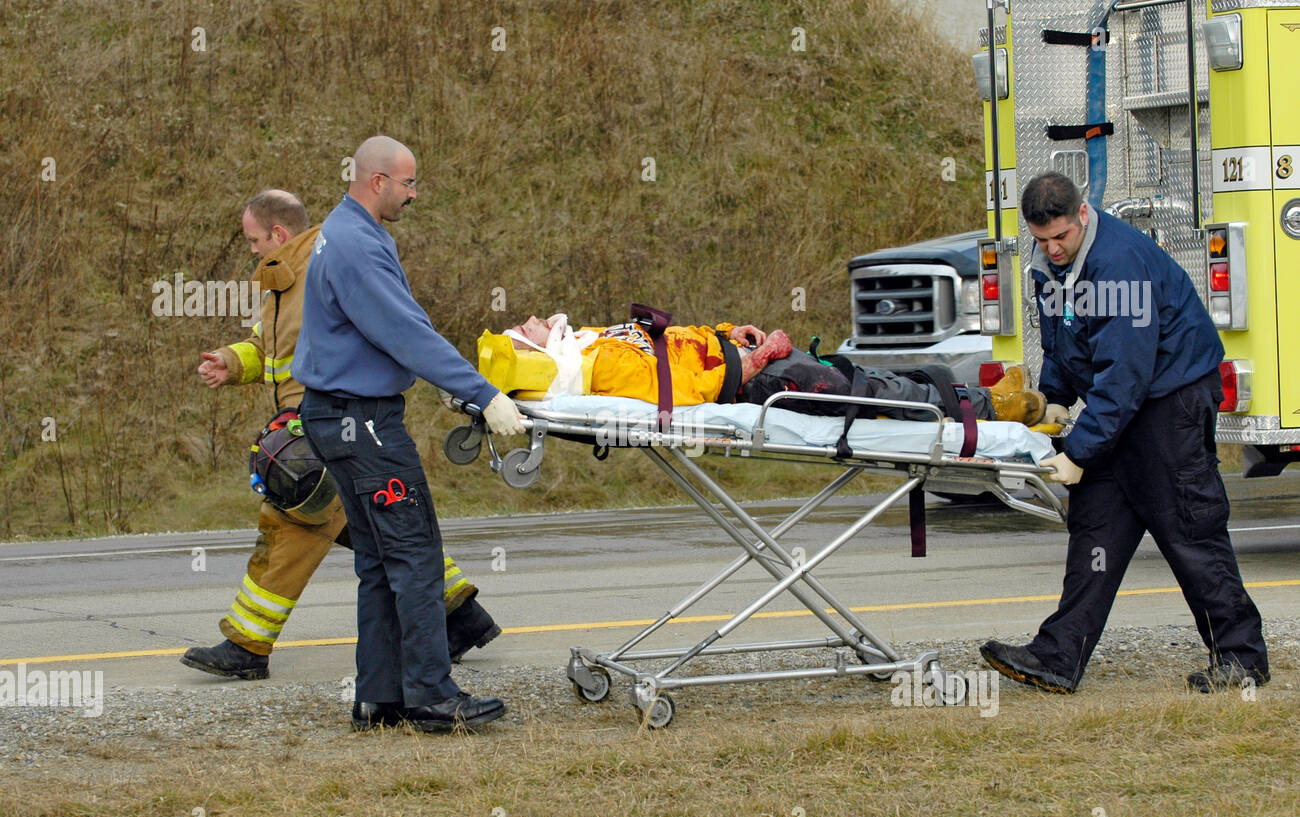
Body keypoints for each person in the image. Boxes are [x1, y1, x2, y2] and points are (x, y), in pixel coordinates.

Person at [182, 191, 501, 682]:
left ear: (279, 234)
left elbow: (387, 335)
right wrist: (230, 361)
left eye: (254, 239)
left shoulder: (322, 268)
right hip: (318, 427)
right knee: (380, 526)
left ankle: (247, 645)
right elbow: (268, 350)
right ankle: (459, 615)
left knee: (291, 528)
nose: (251, 249)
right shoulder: (282, 282)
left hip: (324, 428)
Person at [979, 172, 1268, 694]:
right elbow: (1062, 338)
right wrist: (1056, 398)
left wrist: (1079, 452)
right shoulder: (1051, 265)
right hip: (1126, 402)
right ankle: (1058, 656)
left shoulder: (1118, 264)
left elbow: (1125, 373)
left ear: (1082, 214)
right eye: (1041, 239)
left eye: (1061, 236)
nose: (1052, 248)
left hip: (1170, 399)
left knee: (1188, 528)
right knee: (1097, 528)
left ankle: (1241, 657)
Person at [295, 136, 525, 732]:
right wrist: (484, 393)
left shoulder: (353, 232)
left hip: (341, 417)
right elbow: (405, 331)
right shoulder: (355, 246)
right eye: (409, 183)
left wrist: (449, 381)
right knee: (416, 556)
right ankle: (430, 695)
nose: (415, 194)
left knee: (379, 562)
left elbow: (398, 327)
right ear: (377, 181)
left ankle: (380, 697)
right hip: (363, 424)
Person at [505, 314, 1047, 424]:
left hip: (747, 361)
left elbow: (676, 343)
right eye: (522, 331)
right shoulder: (600, 368)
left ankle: (974, 397)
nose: (528, 319)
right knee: (867, 394)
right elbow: (682, 392)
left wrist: (727, 331)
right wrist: (754, 361)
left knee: (863, 379)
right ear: (537, 357)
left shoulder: (591, 341)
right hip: (755, 383)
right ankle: (994, 410)